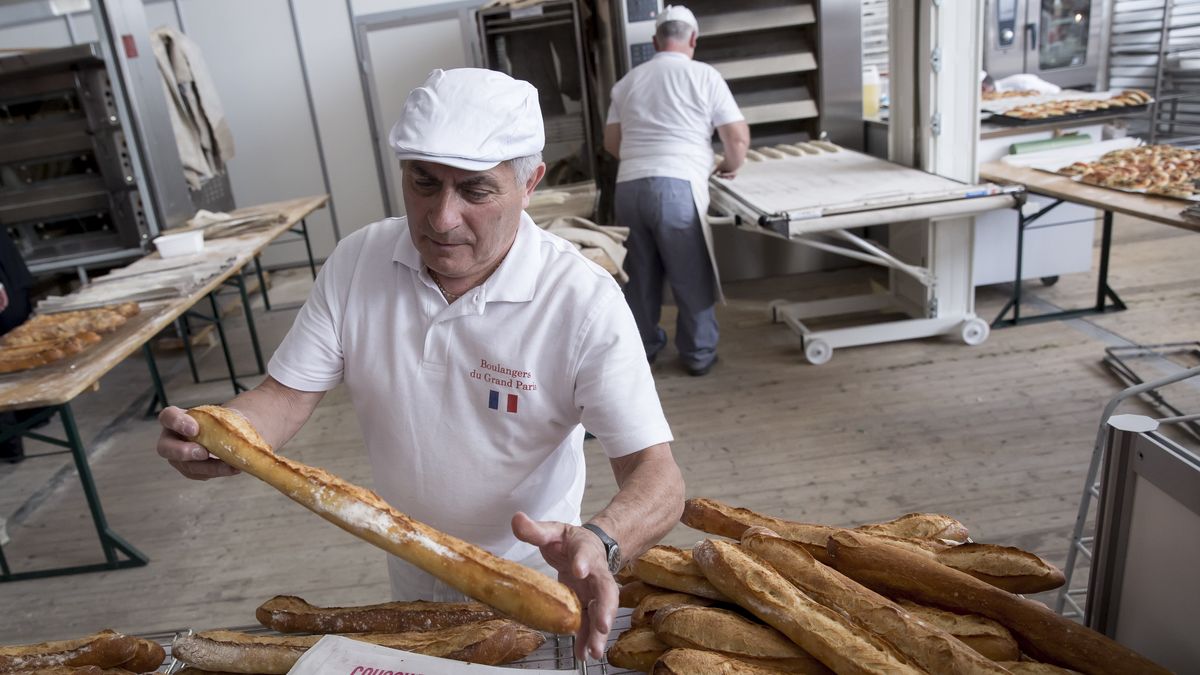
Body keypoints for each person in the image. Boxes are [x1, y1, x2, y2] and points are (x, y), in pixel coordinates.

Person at [155, 68, 685, 659]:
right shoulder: (360, 262)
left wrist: (603, 541)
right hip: (408, 583)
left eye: (476, 191)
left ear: (530, 181)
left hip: (535, 585)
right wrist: (222, 433)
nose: (441, 218)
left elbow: (659, 478)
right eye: (423, 183)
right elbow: (284, 398)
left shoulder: (580, 301)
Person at [604, 4, 750, 377]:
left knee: (638, 277)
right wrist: (728, 166)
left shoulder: (627, 82)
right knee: (691, 275)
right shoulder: (705, 76)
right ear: (693, 39)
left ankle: (645, 350)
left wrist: (642, 160)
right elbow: (735, 137)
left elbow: (611, 143)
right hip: (677, 187)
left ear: (655, 41)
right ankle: (698, 354)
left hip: (629, 188)